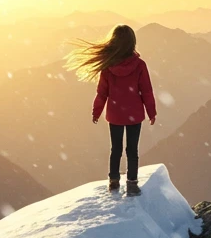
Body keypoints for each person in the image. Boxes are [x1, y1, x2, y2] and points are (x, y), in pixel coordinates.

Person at [66, 24, 156, 195]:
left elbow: (102, 93)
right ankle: (132, 183)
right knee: (132, 150)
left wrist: (96, 111)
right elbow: (146, 91)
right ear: (132, 42)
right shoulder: (139, 65)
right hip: (134, 115)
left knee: (116, 149)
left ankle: (113, 181)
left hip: (115, 114)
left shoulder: (108, 66)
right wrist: (151, 112)